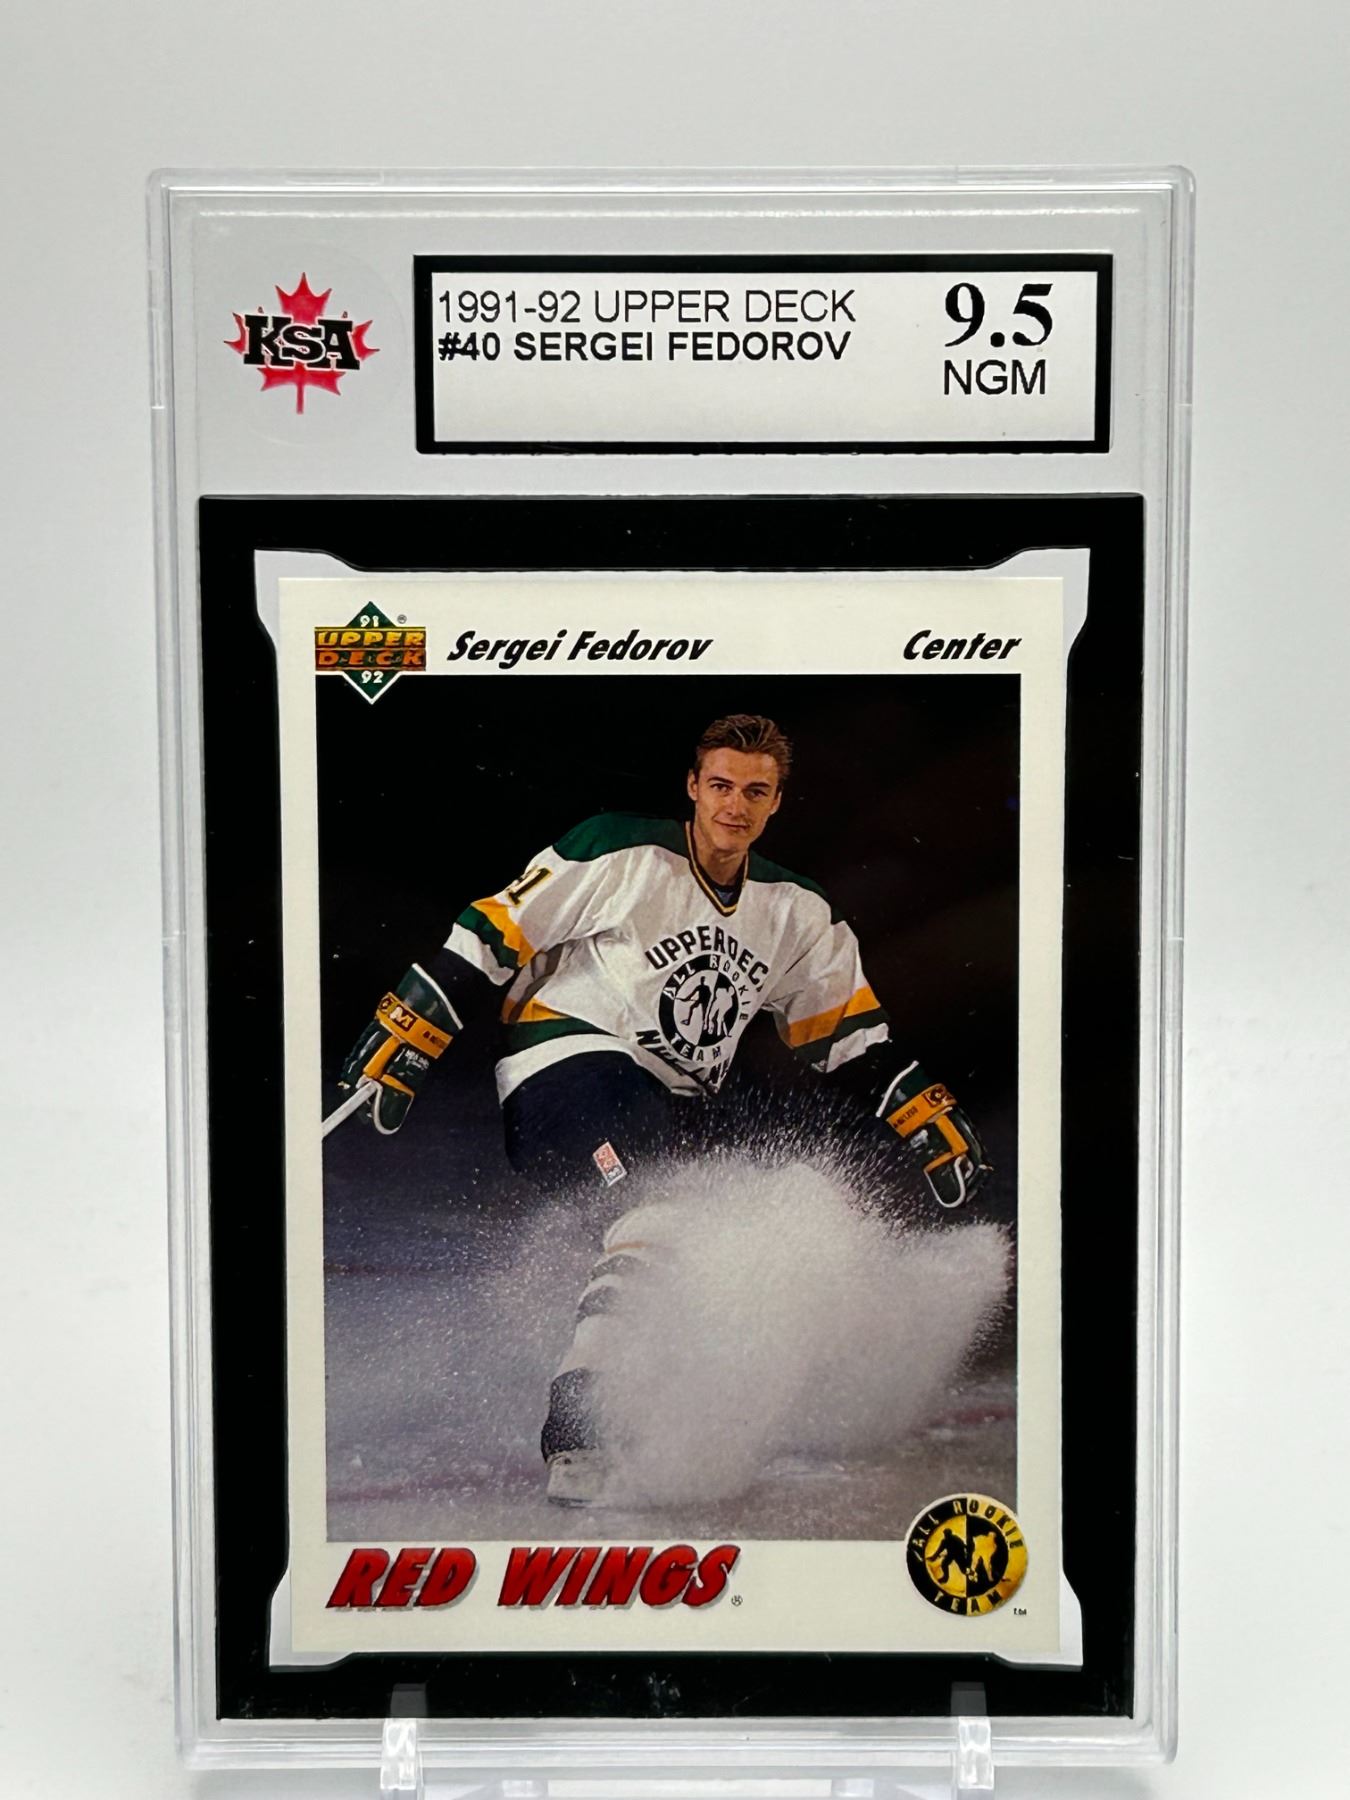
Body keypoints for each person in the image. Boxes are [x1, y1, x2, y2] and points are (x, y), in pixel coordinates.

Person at [337, 714, 989, 1503]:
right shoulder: (621, 850)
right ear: (693, 786)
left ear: (777, 800)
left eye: (755, 791)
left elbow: (847, 1038)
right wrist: (409, 1028)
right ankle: (578, 1426)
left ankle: (652, 1391)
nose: (734, 805)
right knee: (662, 1208)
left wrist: (921, 1110)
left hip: (668, 1103)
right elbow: (494, 930)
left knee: (723, 1227)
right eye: (720, 785)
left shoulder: (797, 912)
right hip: (565, 1065)